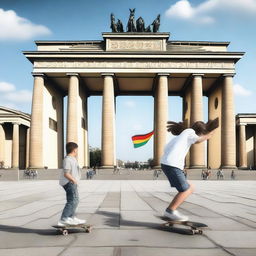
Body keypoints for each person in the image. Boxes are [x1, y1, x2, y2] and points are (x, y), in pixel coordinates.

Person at [161, 118, 219, 221]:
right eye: (202, 134)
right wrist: (209, 134)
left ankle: (171, 211)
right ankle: (170, 211)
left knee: (190, 188)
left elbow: (167, 149)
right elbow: (198, 140)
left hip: (169, 164)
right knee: (186, 190)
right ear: (200, 132)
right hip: (172, 165)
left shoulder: (182, 136)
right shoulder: (189, 132)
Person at [58, 142, 86, 226]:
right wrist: (73, 180)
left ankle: (71, 217)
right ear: (74, 150)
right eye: (77, 150)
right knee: (72, 200)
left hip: (72, 182)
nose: (77, 152)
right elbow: (66, 173)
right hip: (69, 182)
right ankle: (64, 218)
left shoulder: (72, 159)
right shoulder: (67, 159)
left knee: (76, 200)